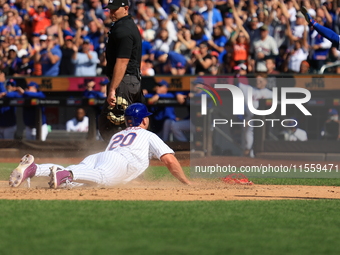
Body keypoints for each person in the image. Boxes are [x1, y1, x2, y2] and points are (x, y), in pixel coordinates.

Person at [9, 103, 192, 188]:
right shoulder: (147, 134)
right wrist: (186, 182)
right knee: (102, 178)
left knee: (74, 184)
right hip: (116, 161)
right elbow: (169, 160)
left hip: (98, 157)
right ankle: (67, 173)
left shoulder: (118, 134)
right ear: (144, 120)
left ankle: (34, 169)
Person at [99, 0, 145, 143]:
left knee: (112, 126)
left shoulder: (123, 29)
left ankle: (119, 161)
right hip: (130, 81)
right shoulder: (125, 25)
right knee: (131, 125)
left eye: (114, 9)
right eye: (110, 9)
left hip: (124, 81)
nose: (111, 12)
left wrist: (113, 89)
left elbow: (122, 61)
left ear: (125, 8)